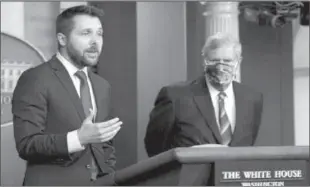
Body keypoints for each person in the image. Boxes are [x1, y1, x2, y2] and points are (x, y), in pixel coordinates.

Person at [12, 5, 122, 186]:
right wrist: (78, 138)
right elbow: (27, 144)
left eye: (99, 33)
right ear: (62, 39)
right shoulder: (35, 78)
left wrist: (108, 176)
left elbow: (105, 145)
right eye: (86, 33)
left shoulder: (102, 86)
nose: (96, 41)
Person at [144, 32, 264, 185]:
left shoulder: (252, 98)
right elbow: (155, 148)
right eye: (214, 60)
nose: (221, 67)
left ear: (238, 61)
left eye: (227, 61)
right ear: (205, 61)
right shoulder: (175, 96)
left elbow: (247, 144)